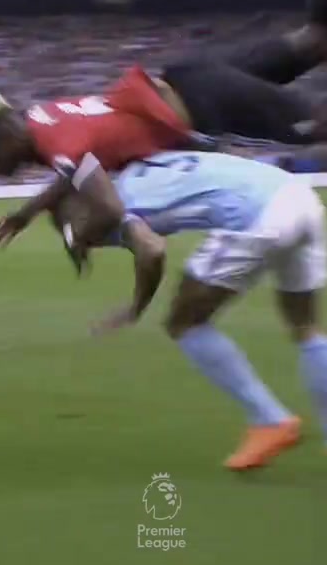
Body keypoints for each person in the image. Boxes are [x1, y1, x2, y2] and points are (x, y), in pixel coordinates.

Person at [0, 0, 327, 247]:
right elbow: (72, 170)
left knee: (315, 124)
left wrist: (78, 237)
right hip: (190, 75)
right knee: (314, 40)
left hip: (206, 103)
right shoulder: (41, 116)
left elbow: (107, 207)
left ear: (5, 137)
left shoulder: (56, 145)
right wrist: (27, 213)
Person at [53, 150, 326, 471]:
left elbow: (152, 250)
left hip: (256, 218)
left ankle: (270, 419)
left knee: (185, 323)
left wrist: (136, 307)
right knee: (305, 327)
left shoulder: (114, 206)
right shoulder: (138, 169)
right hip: (297, 196)